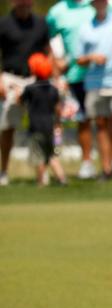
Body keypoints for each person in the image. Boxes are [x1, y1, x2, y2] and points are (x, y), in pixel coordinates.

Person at [0, 0, 54, 187]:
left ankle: (42, 174)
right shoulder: (4, 24)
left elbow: (48, 52)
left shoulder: (41, 23)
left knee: (40, 127)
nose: (24, 4)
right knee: (7, 127)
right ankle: (4, 171)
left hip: (36, 82)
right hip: (11, 79)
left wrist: (53, 77)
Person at [75, 0, 112, 180]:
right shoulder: (85, 28)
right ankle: (106, 168)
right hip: (95, 82)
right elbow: (78, 59)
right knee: (101, 124)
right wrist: (91, 57)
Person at [46, 0, 97, 180]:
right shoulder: (57, 11)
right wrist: (56, 68)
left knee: (109, 120)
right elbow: (46, 41)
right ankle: (86, 163)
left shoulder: (99, 4)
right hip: (73, 76)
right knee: (81, 119)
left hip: (102, 75)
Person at [19, 52, 67, 186]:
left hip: (35, 127)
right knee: (51, 155)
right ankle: (62, 178)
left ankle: (41, 182)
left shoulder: (30, 89)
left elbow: (21, 101)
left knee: (38, 156)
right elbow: (58, 108)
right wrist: (58, 124)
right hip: (50, 126)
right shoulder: (53, 89)